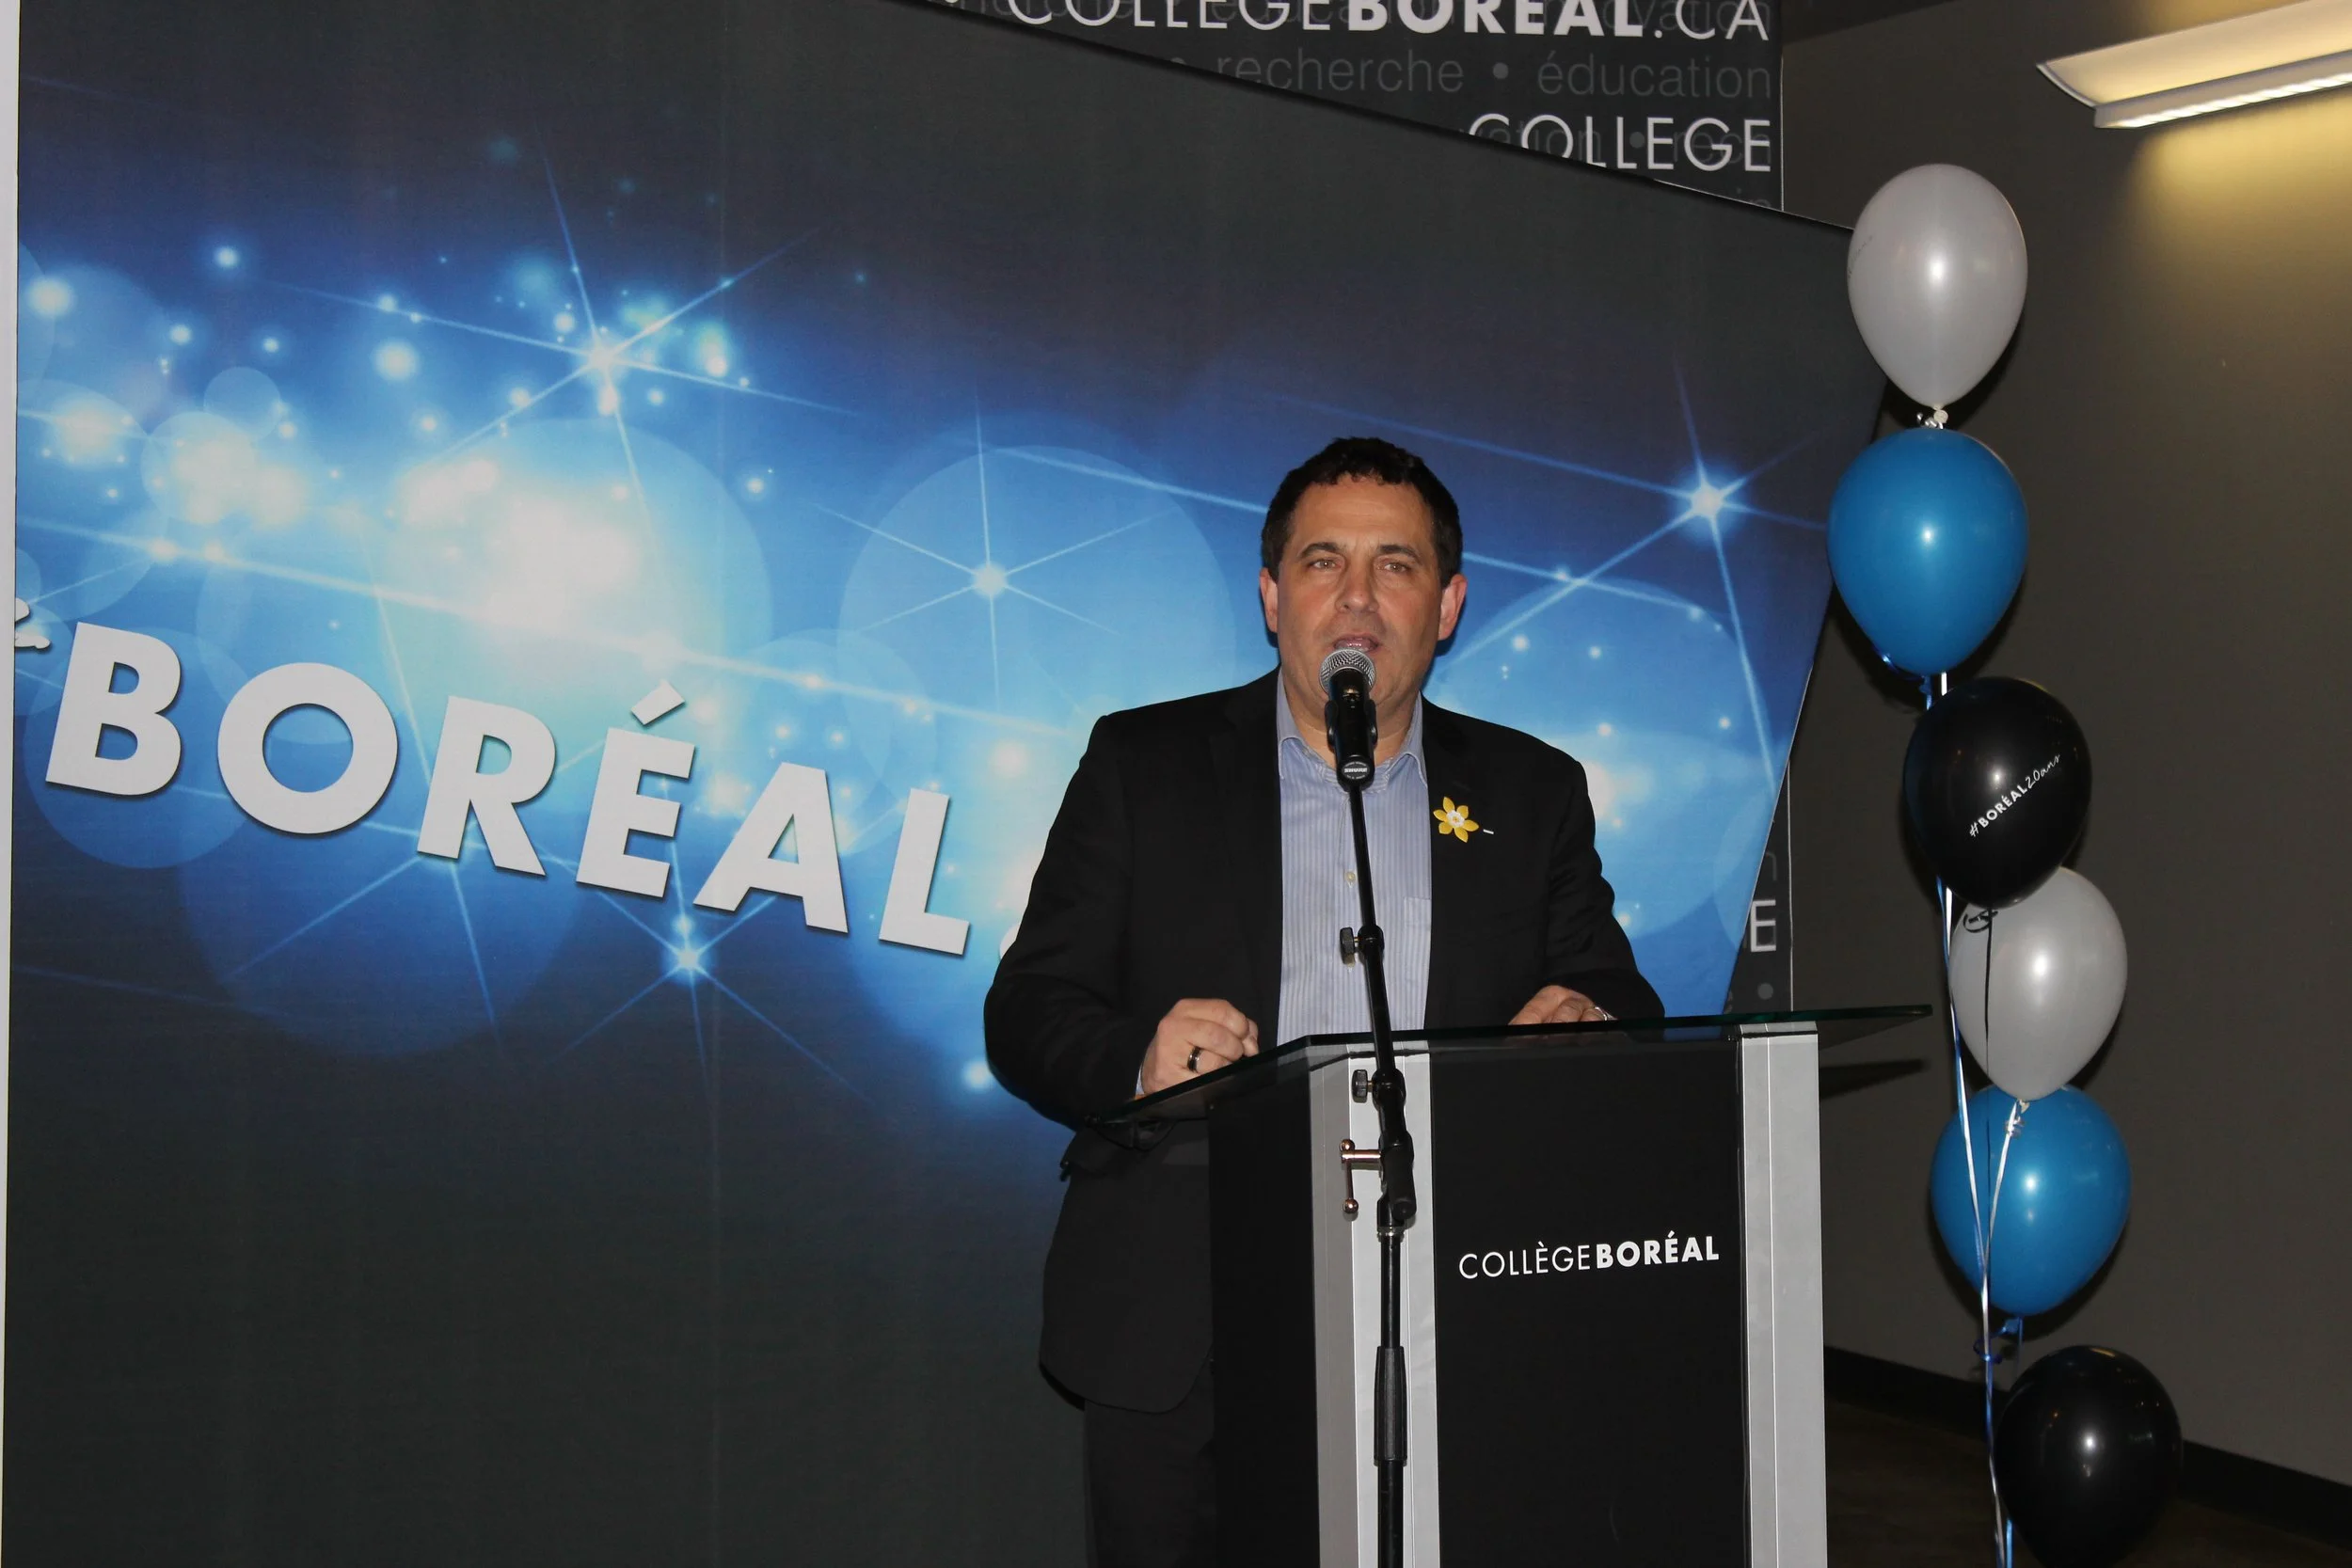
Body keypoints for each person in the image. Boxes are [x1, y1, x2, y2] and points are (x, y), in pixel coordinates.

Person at [985, 436, 1662, 1568]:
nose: (1356, 596)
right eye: (1321, 561)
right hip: (1180, 1310)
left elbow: (1615, 991)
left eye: (1394, 565)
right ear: (1269, 594)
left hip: (1445, 1306)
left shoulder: (1531, 792)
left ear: (1445, 605)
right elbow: (1029, 1005)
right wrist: (1139, 1060)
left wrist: (1593, 1018)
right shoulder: (1142, 764)